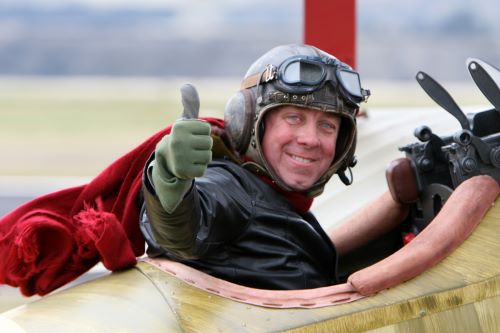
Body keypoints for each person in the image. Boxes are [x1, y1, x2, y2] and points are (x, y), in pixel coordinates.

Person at [139, 44, 409, 290]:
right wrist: (171, 178)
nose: (310, 139)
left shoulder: (283, 206)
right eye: (294, 118)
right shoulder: (232, 190)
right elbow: (181, 233)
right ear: (248, 123)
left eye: (327, 126)